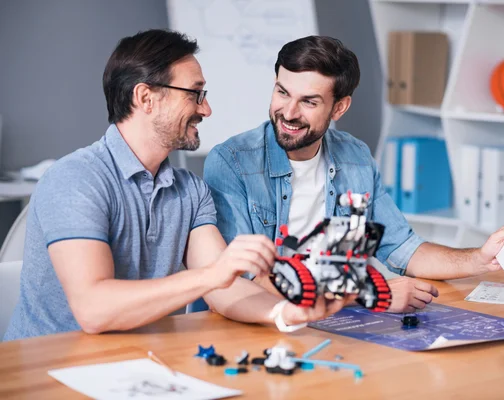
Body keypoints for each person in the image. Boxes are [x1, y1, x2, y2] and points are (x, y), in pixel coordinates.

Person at [2, 30, 351, 342]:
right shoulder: (76, 179)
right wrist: (213, 275)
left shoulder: (189, 191)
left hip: (142, 369)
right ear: (145, 98)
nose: (207, 109)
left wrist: (286, 313)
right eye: (195, 94)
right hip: (48, 375)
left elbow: (223, 291)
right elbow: (94, 311)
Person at [203, 35, 504, 313]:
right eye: (282, 92)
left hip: (334, 323)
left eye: (308, 102)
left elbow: (401, 247)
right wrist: (370, 293)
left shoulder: (355, 157)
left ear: (339, 108)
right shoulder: (231, 163)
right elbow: (245, 282)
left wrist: (478, 258)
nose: (288, 112)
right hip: (259, 326)